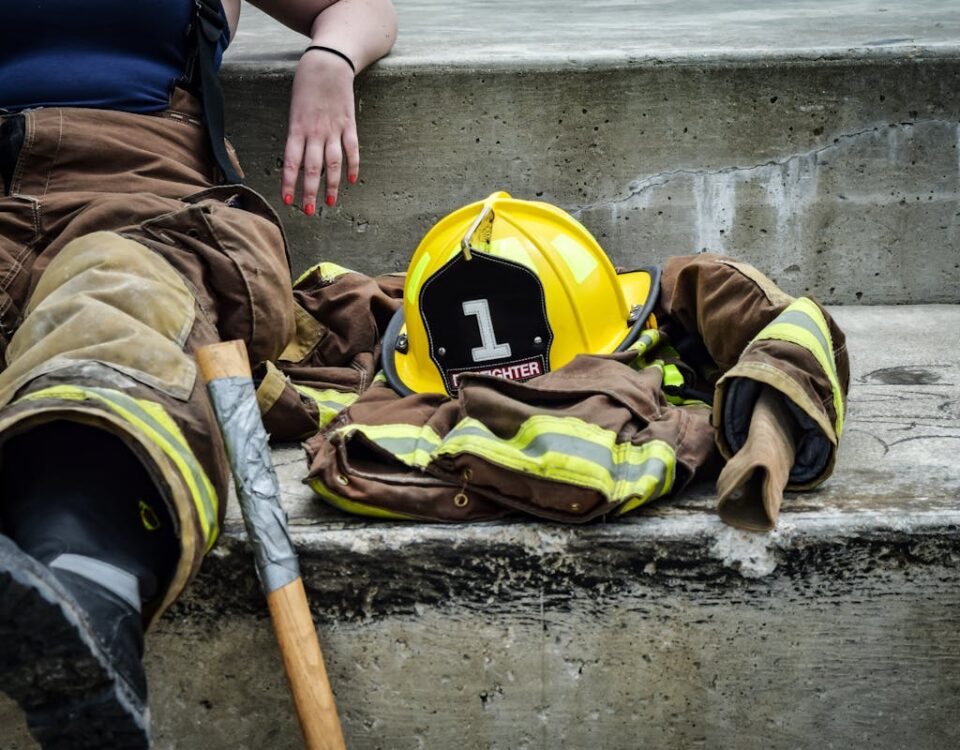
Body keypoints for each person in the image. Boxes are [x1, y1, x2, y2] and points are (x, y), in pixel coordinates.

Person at [0, 1, 396, 748]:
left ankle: (86, 579)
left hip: (139, 196)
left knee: (119, 302)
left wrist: (330, 59)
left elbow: (358, 6)